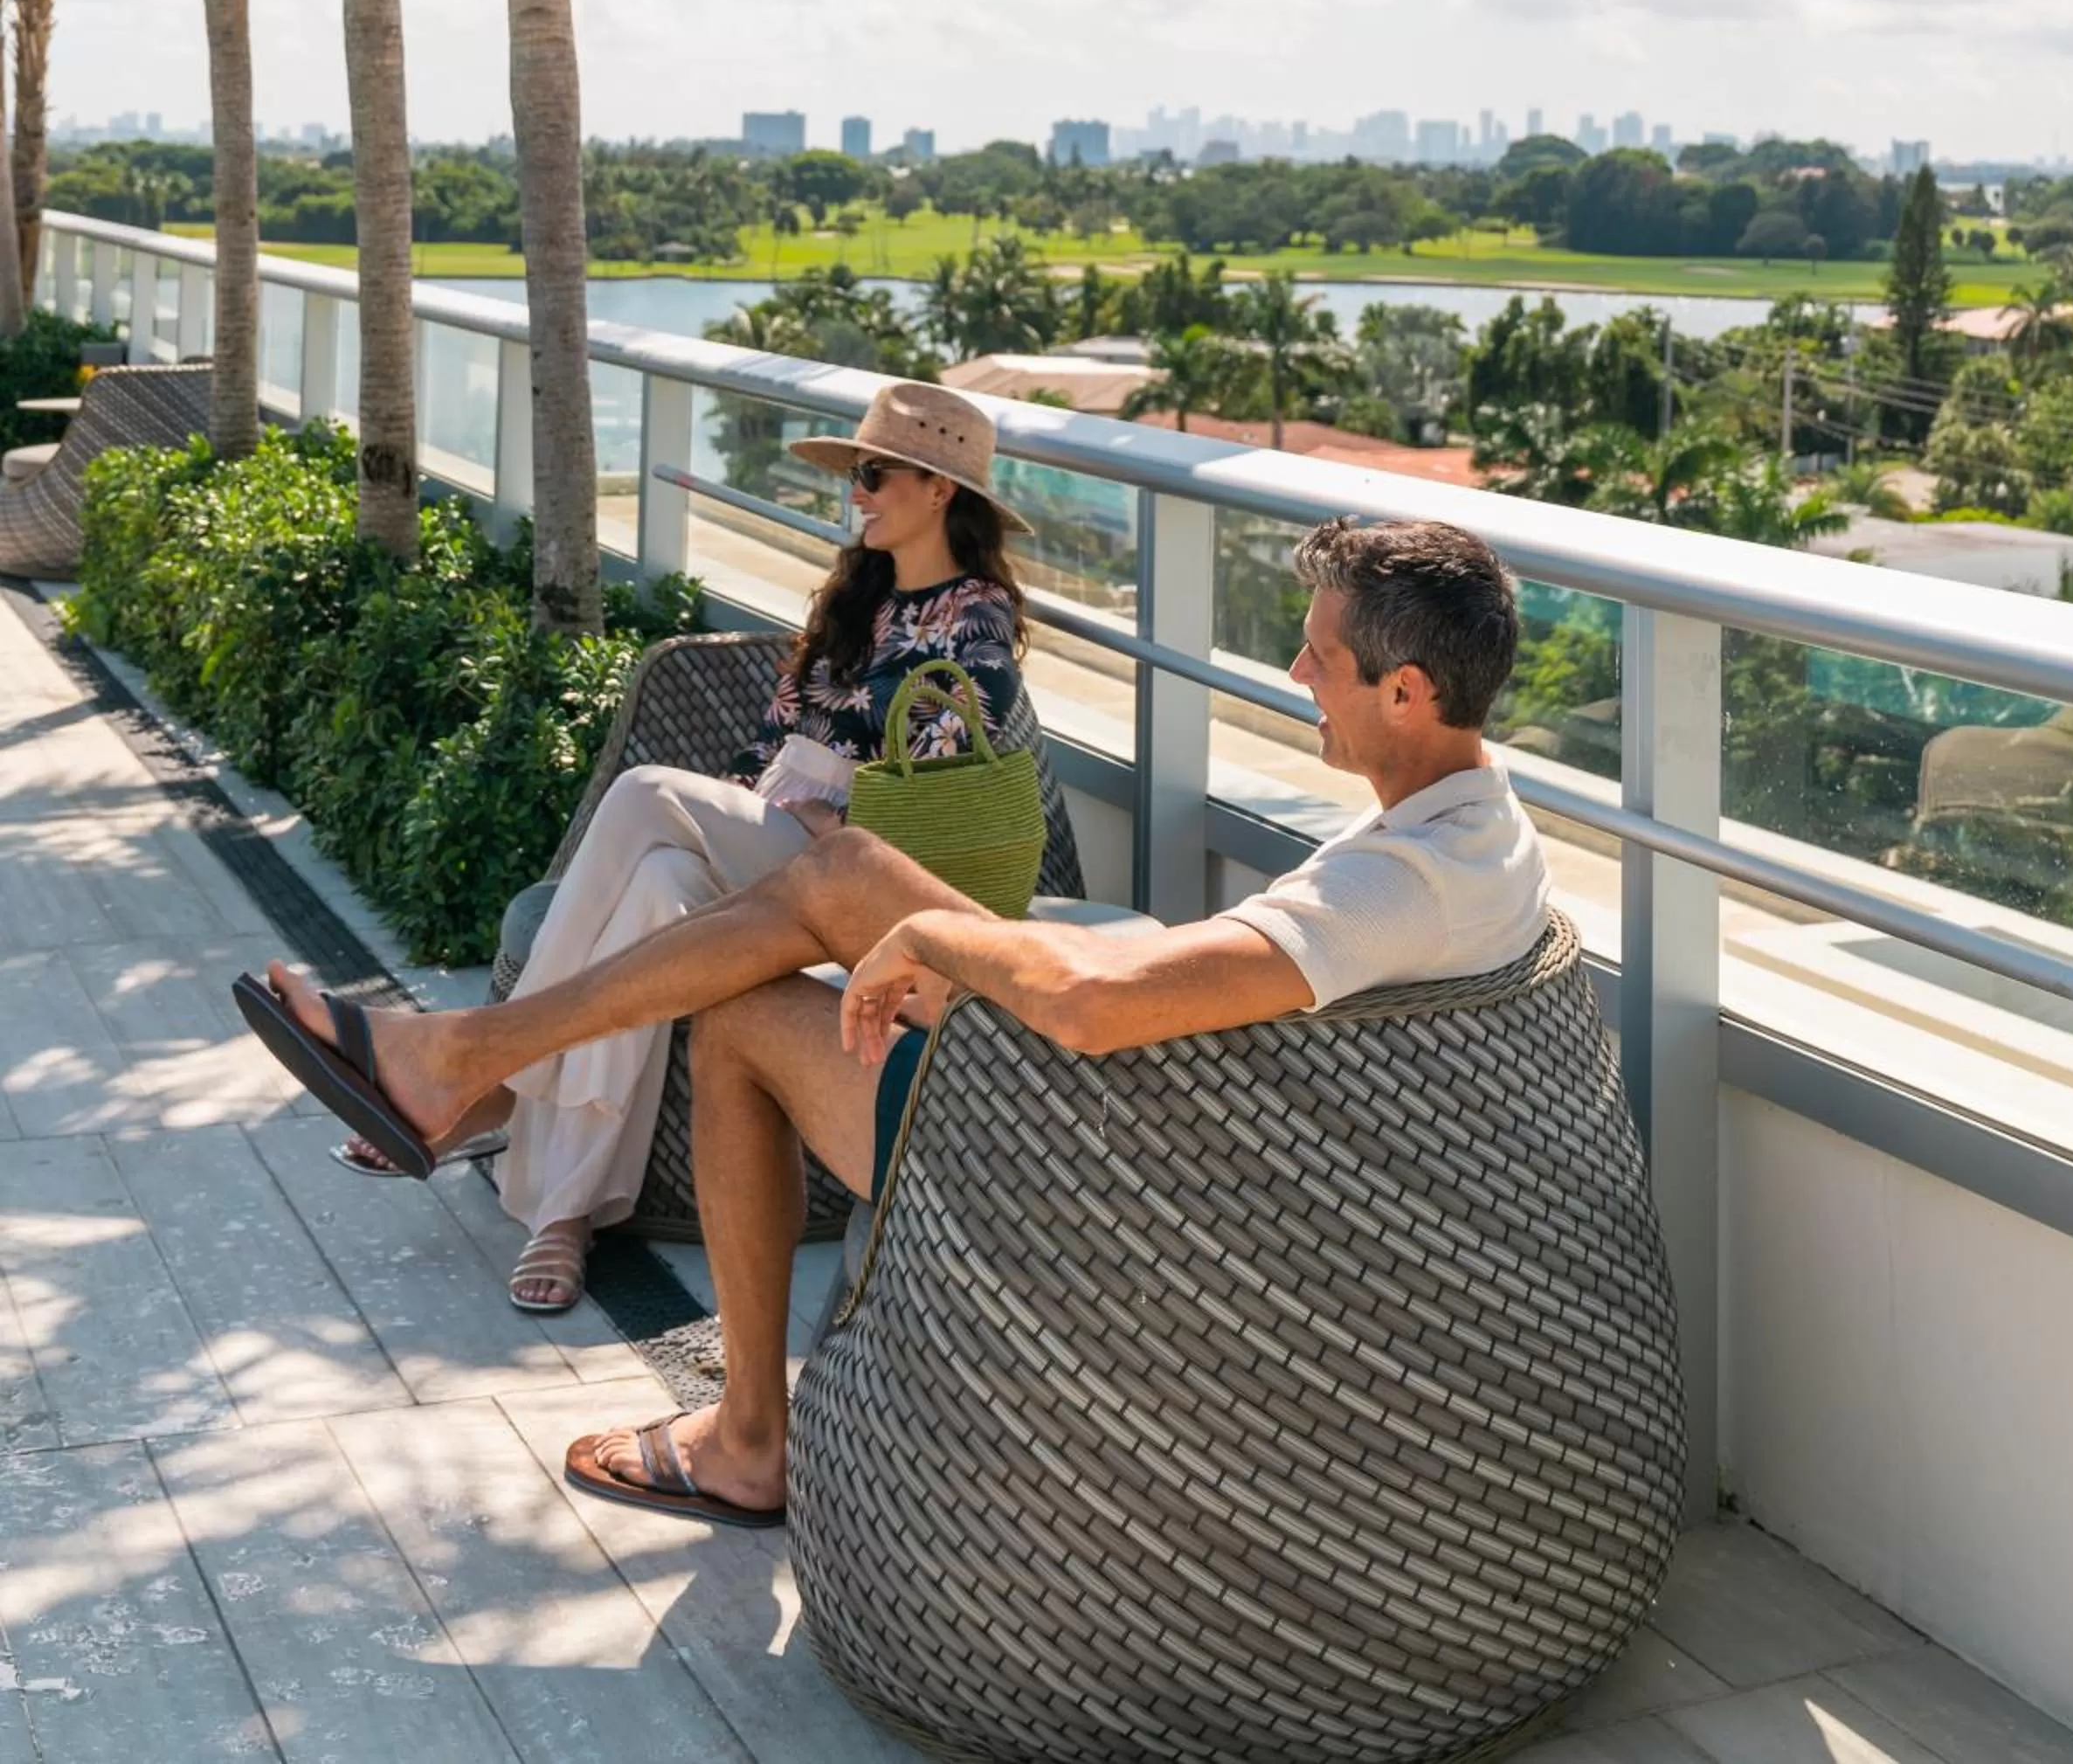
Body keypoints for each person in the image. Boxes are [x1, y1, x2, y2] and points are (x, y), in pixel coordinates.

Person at [244, 515, 1550, 1526]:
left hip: (1099, 1173)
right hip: (1166, 1106)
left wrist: (941, 942)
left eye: (1320, 653)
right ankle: (461, 1066)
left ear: (1408, 693)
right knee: (835, 881)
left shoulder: (1401, 881)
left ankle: (738, 1423)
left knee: (752, 1007)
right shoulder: (1473, 830)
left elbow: (1099, 1013)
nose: (1295, 670)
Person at [336, 377, 1033, 1316]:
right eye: (855, 475)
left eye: (871, 474)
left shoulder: (972, 614)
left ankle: (487, 1076)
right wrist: (760, 807)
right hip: (783, 847)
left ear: (938, 488)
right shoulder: (854, 595)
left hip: (864, 878)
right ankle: (565, 1216)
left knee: (645, 792)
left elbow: (941, 752)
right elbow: (766, 747)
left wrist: (830, 805)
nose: (855, 494)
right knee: (661, 882)